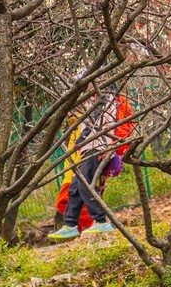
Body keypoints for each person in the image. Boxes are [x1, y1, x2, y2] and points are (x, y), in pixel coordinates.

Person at [48, 82, 134, 241]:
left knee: (85, 185)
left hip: (98, 147)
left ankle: (101, 221)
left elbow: (96, 125)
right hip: (89, 149)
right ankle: (70, 224)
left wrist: (81, 141)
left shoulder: (105, 100)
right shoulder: (94, 101)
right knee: (74, 188)